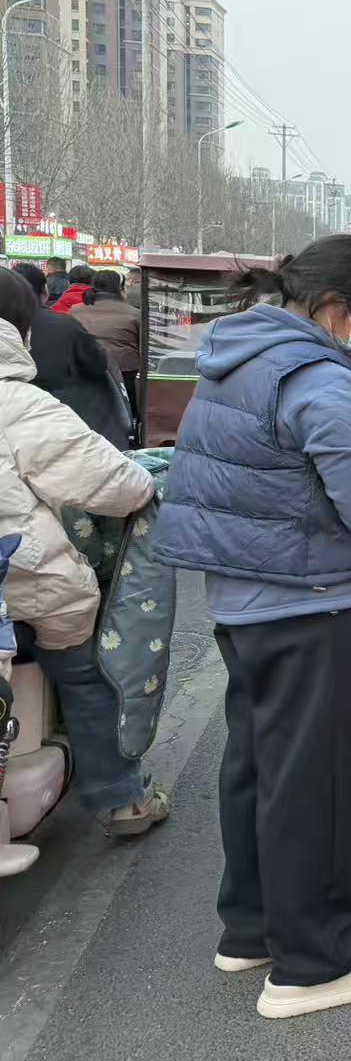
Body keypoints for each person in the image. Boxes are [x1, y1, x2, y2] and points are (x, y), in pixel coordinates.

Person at [154, 236, 351, 1019]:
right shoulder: (317, 373)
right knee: (326, 777)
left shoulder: (237, 357)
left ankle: (252, 924)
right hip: (309, 599)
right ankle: (317, 953)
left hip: (247, 601)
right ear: (335, 306)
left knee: (262, 767)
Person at [0, 267, 168, 837]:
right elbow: (115, 485)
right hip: (25, 583)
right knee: (83, 670)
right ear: (22, 330)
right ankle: (121, 799)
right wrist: (147, 483)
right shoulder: (22, 406)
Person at [9, 262, 129, 448]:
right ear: (44, 292)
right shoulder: (65, 326)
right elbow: (97, 364)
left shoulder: (68, 316)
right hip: (64, 423)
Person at [71, 269, 141, 429]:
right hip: (125, 375)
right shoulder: (135, 314)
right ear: (121, 288)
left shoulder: (75, 311)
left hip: (84, 373)